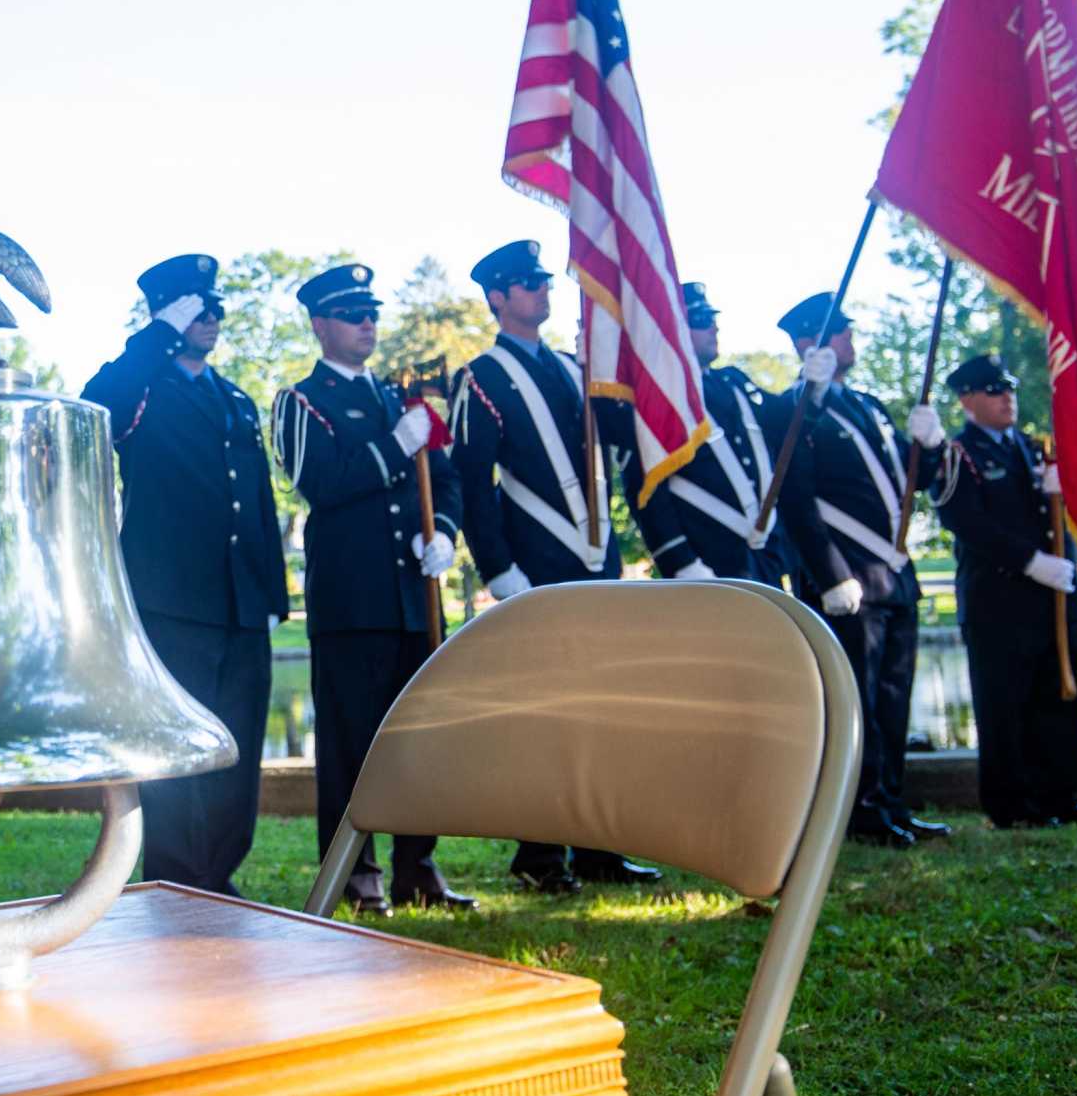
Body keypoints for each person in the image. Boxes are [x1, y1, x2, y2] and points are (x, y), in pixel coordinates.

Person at [449, 240, 658, 891]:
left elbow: (621, 438)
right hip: (536, 562)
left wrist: (611, 371)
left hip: (596, 559)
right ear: (498, 298)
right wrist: (497, 568)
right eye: (528, 284)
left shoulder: (574, 367)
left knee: (602, 706)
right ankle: (539, 857)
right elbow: (472, 481)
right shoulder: (481, 377)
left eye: (544, 282)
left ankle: (600, 849)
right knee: (549, 711)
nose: (544, 291)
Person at [81, 254, 289, 895]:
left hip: (240, 603)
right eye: (198, 310)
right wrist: (154, 339)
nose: (214, 320)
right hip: (171, 600)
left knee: (237, 745)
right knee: (176, 747)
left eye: (216, 308)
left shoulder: (234, 399)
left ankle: (220, 874)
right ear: (168, 317)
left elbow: (257, 502)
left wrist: (272, 592)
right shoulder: (142, 390)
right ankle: (174, 876)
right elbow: (95, 407)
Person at [273, 263, 474, 916]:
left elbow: (444, 479)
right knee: (351, 744)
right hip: (352, 604)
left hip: (411, 600)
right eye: (353, 313)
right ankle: (355, 871)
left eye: (372, 312)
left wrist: (441, 531)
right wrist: (394, 447)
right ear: (320, 324)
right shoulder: (300, 402)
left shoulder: (400, 398)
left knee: (417, 740)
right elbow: (323, 483)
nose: (368, 322)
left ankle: (418, 865)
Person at [767, 293, 948, 849]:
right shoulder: (791, 408)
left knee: (894, 698)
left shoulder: (870, 405)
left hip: (893, 575)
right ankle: (860, 811)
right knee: (858, 703)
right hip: (848, 580)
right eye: (840, 332)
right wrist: (828, 575)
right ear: (807, 344)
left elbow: (911, 482)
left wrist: (933, 446)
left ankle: (890, 801)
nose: (850, 340)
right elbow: (794, 501)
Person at [931, 353, 1077, 830]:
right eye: (994, 391)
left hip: (1054, 598)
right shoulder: (958, 455)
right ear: (968, 399)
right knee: (1005, 706)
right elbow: (966, 522)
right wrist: (1031, 562)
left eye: (1009, 388)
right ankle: (1012, 807)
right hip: (1000, 603)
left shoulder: (1036, 450)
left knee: (1062, 698)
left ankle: (1060, 797)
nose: (1007, 397)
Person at [628, 281, 791, 589]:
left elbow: (786, 426)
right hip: (709, 562)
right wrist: (680, 561)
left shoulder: (734, 382)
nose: (714, 328)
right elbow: (647, 488)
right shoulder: (660, 398)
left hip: (763, 558)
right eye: (701, 321)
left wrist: (813, 388)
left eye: (713, 319)